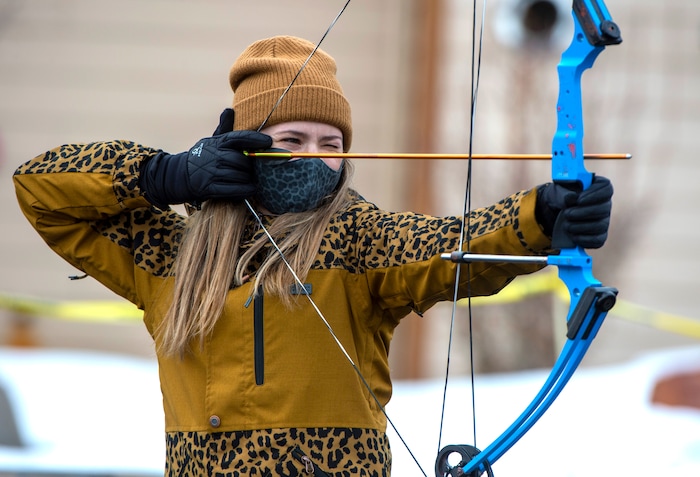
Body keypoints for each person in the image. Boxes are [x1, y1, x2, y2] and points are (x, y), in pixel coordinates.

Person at [13, 35, 613, 476]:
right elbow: (40, 188)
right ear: (243, 147)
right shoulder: (172, 256)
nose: (314, 156)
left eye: (331, 144)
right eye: (291, 140)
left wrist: (543, 218)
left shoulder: (357, 239)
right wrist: (166, 175)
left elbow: (447, 246)